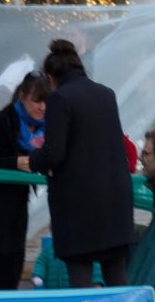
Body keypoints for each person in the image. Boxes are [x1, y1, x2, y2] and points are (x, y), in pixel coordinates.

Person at [28, 38, 134, 287]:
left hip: (79, 201)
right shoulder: (106, 94)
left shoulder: (60, 99)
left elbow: (54, 154)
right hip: (115, 197)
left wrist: (33, 160)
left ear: (51, 78)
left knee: (80, 276)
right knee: (116, 274)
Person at [0, 71, 52, 289]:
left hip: (16, 212)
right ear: (22, 97)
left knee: (9, 271)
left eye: (46, 102)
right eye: (36, 100)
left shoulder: (46, 131)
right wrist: (14, 163)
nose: (42, 107)